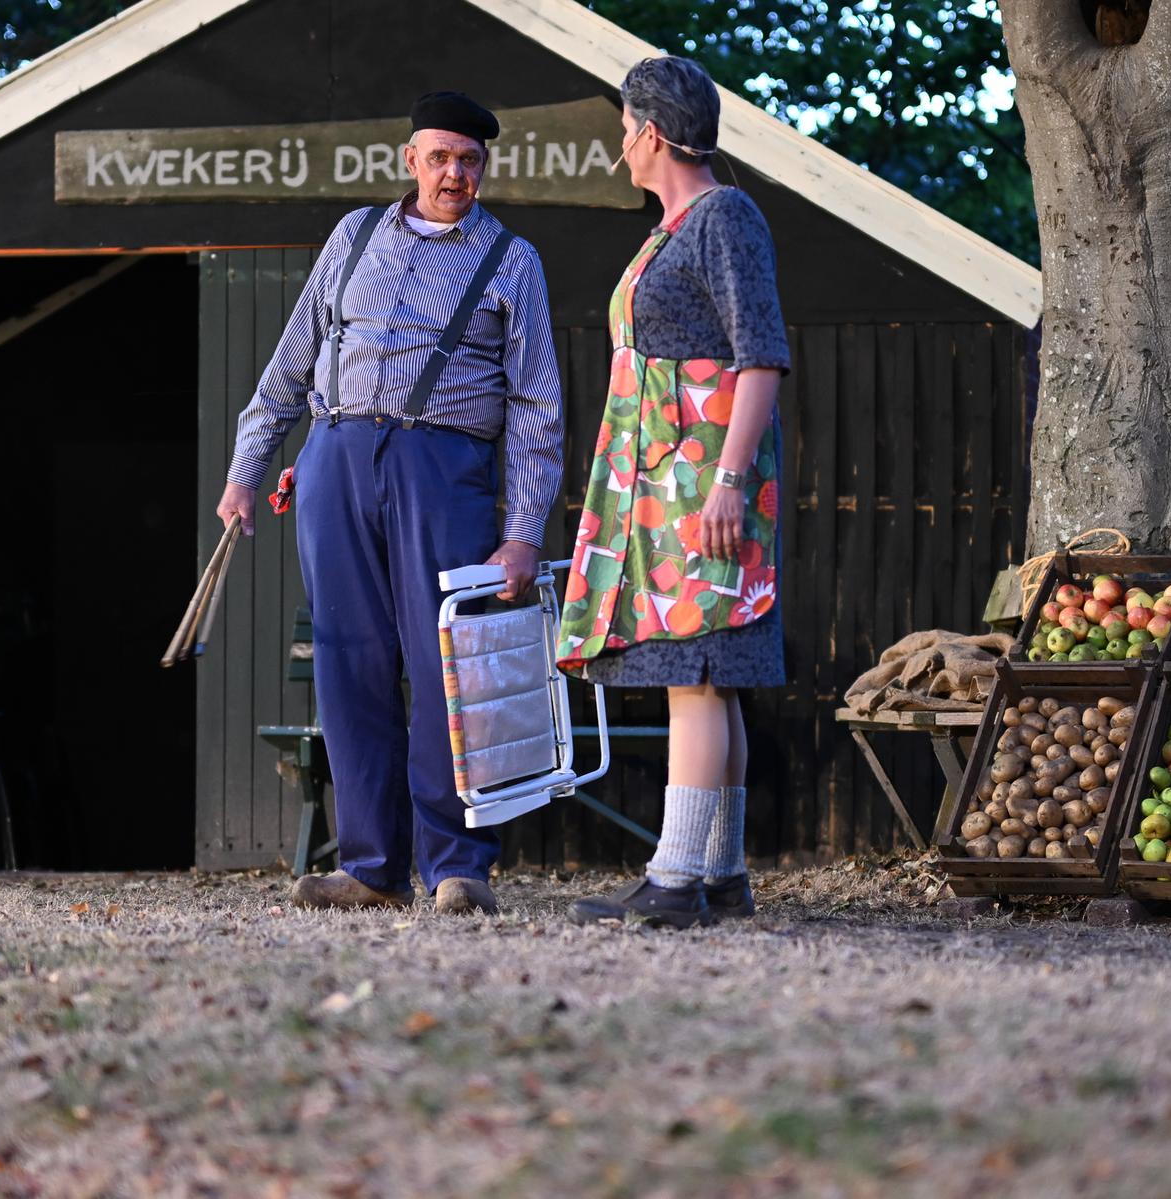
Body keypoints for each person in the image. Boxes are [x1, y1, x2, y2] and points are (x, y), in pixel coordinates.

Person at [216, 92, 564, 916]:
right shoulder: (354, 235)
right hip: (335, 457)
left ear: (485, 169)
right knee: (348, 663)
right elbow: (290, 363)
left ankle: (458, 866)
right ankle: (371, 867)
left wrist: (522, 533)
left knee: (450, 667)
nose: (456, 174)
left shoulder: (513, 260)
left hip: (444, 472)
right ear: (410, 158)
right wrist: (245, 470)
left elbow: (538, 410)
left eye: (470, 161)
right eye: (441, 157)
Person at [558, 57, 788, 929]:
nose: (622, 146)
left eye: (625, 129)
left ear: (650, 132)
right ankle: (720, 874)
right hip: (665, 484)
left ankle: (675, 876)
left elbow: (758, 353)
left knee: (695, 672)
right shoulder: (674, 227)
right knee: (711, 676)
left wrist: (729, 480)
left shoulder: (722, 217)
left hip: (700, 480)